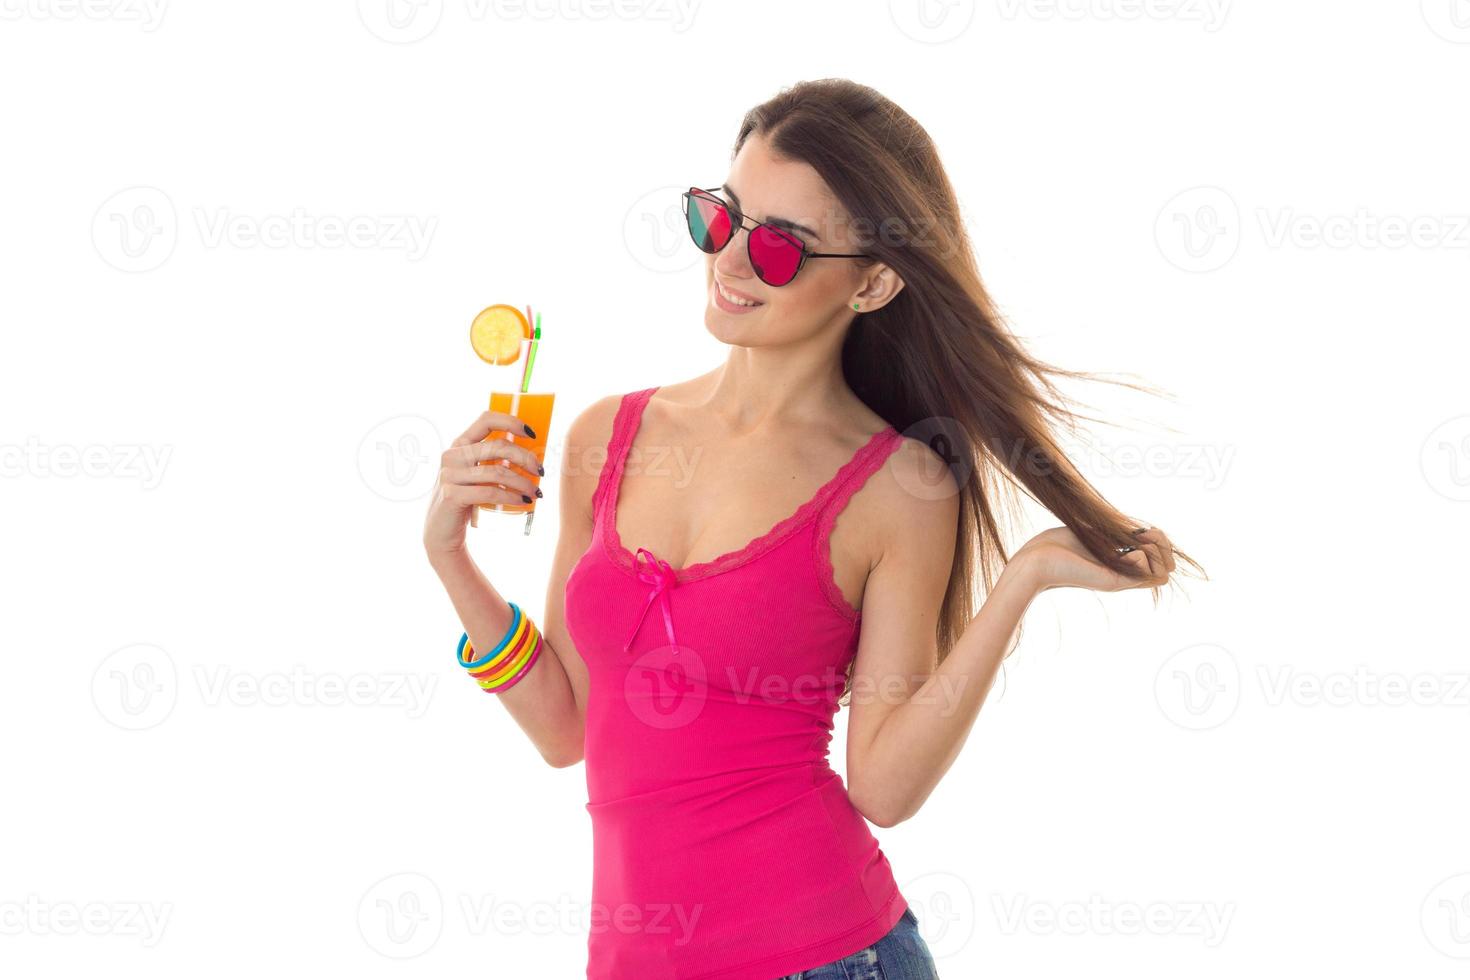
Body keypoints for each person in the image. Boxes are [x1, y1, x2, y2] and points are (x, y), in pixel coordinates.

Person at [424, 78, 1203, 980]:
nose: (731, 262)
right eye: (722, 219)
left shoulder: (899, 488)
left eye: (781, 250)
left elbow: (882, 786)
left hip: (827, 957)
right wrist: (450, 557)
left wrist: (1022, 581)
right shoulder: (607, 435)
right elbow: (568, 728)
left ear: (872, 281)